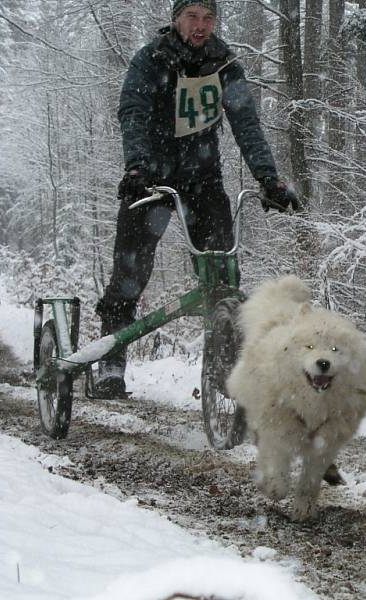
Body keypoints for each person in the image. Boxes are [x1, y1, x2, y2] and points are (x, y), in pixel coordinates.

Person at [95, 0, 298, 397]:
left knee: (222, 269)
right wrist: (135, 167)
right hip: (151, 179)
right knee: (130, 270)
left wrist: (269, 179)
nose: (200, 26)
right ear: (176, 20)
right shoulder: (150, 60)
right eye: (192, 17)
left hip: (201, 181)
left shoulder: (224, 66)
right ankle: (112, 359)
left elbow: (247, 125)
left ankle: (225, 358)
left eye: (208, 18)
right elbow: (132, 112)